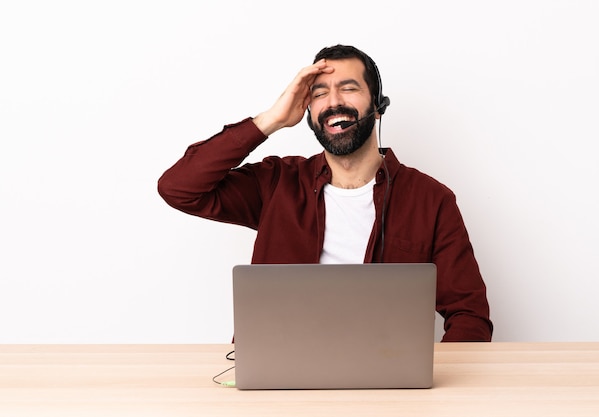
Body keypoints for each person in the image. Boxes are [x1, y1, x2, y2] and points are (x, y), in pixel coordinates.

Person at [158, 44, 493, 342]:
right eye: (319, 93)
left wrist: (435, 386)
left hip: (386, 384)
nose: (334, 102)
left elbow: (470, 316)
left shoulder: (431, 200)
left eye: (348, 88)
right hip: (278, 378)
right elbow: (179, 188)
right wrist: (271, 120)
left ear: (378, 106)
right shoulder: (276, 182)